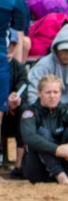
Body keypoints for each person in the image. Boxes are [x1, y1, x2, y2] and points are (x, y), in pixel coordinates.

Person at [20, 75, 68, 184]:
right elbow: (29, 137)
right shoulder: (30, 112)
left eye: (56, 92)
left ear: (60, 93)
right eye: (48, 92)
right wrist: (57, 150)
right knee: (42, 133)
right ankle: (59, 174)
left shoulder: (65, 110)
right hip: (38, 169)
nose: (52, 96)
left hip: (66, 164)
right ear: (39, 93)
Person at [28, 24, 68, 110]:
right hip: (44, 107)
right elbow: (32, 93)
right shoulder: (43, 66)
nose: (66, 54)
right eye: (63, 50)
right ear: (56, 49)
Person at [2, 31, 28, 176]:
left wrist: (17, 98)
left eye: (12, 45)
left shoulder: (19, 67)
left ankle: (19, 164)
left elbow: (23, 87)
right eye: (6, 45)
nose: (9, 49)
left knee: (25, 111)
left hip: (12, 115)